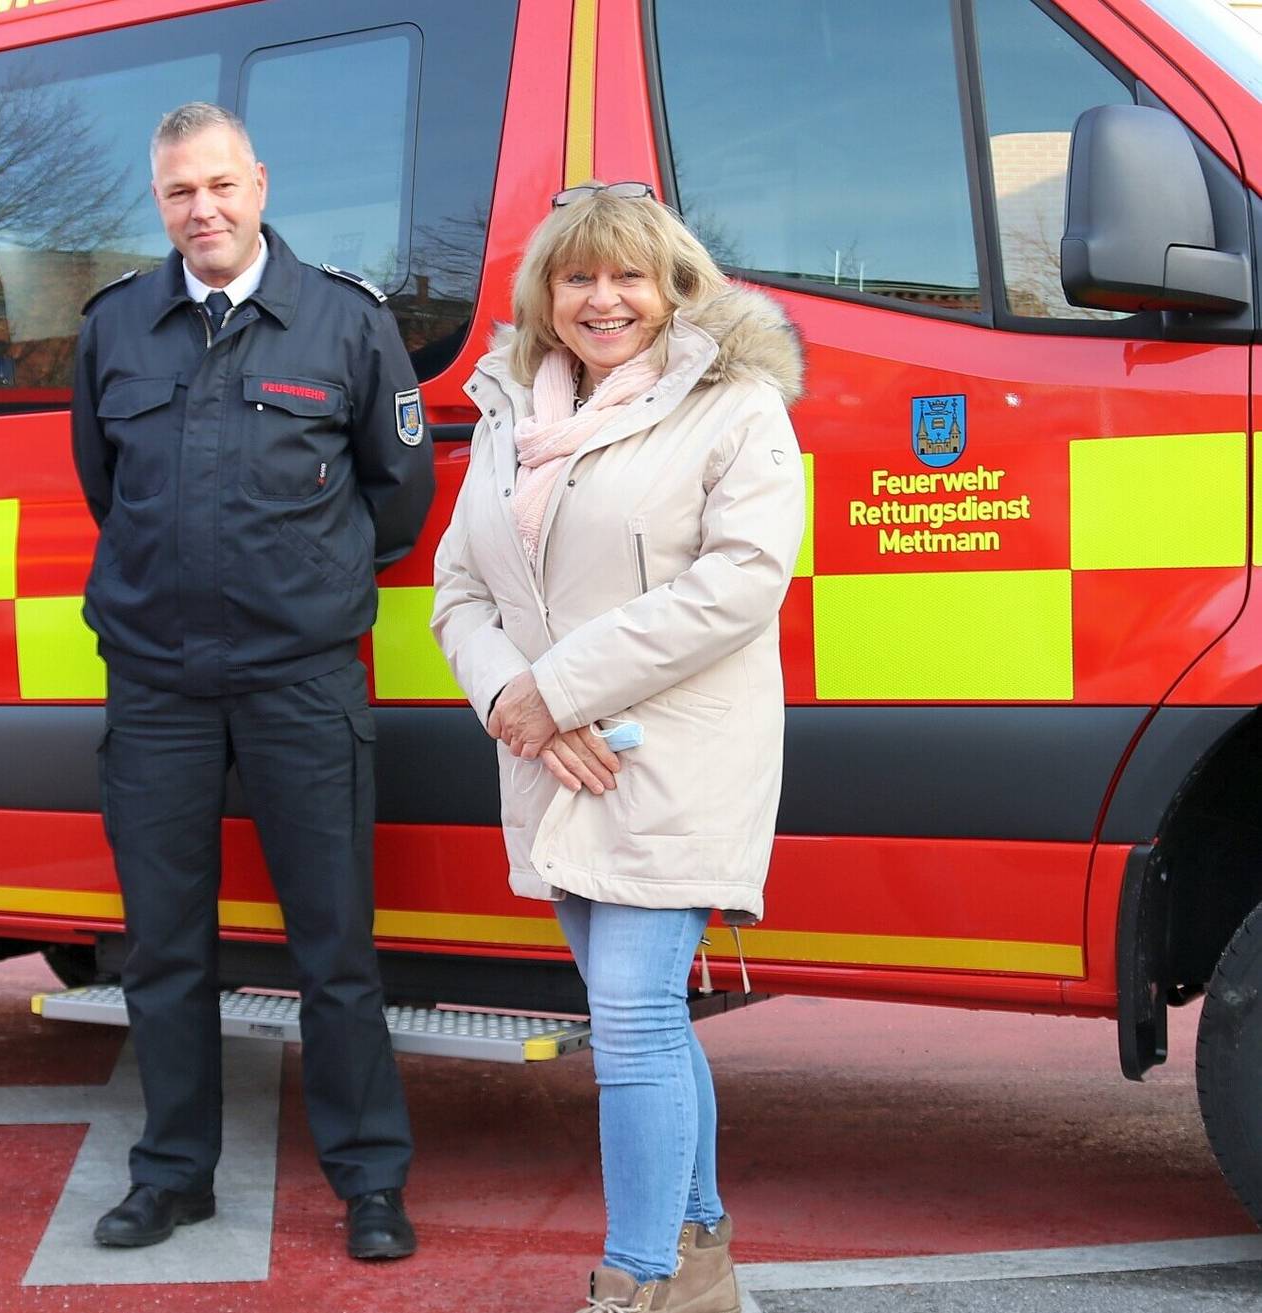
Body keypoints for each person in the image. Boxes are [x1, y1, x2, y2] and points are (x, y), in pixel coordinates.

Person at [430, 181, 805, 1312]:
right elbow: (459, 588)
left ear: (674, 283)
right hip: (553, 757)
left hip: (673, 753)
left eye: (629, 274)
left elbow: (742, 581)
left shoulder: (736, 404)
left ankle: (637, 1280)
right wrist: (514, 700)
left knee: (634, 1013)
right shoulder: (510, 412)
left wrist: (554, 689)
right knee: (634, 1013)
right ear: (547, 293)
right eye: (579, 275)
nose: (605, 298)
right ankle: (700, 1257)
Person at [70, 102, 434, 1261]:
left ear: (261, 184)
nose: (203, 210)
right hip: (159, 682)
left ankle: (371, 1180)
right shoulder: (117, 325)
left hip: (299, 679)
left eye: (221, 186)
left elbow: (400, 492)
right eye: (180, 192)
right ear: (158, 198)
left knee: (334, 945)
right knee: (164, 947)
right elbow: (103, 481)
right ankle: (174, 1173)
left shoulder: (345, 320)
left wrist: (300, 581)